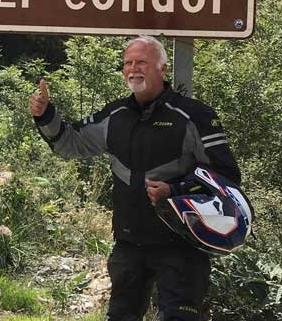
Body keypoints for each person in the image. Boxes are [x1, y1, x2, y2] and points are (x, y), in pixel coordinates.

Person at [28, 35, 242, 321]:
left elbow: (227, 179)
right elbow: (70, 142)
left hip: (181, 248)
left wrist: (174, 190)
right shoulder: (116, 114)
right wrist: (45, 116)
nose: (133, 69)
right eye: (128, 63)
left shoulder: (194, 116)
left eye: (141, 61)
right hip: (129, 245)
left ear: (162, 68)